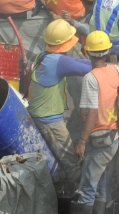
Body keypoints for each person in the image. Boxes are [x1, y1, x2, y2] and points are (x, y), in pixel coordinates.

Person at [52, 31, 119, 214]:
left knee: (87, 186)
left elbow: (91, 113)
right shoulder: (118, 71)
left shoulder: (91, 78)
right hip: (113, 138)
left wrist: (82, 140)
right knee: (102, 186)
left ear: (87, 52)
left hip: (98, 139)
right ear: (109, 51)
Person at [27, 19, 92, 182]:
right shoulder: (58, 62)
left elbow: (78, 62)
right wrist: (111, 66)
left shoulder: (44, 55)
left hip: (43, 115)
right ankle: (80, 195)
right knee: (72, 162)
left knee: (70, 157)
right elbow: (89, 67)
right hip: (50, 121)